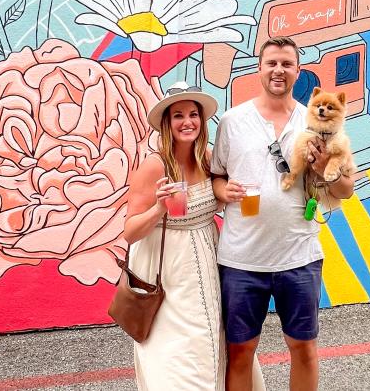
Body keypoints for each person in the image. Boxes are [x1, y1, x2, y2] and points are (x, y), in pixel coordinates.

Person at [211, 37, 355, 391]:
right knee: (241, 350)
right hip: (242, 258)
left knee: (304, 347)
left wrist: (324, 168)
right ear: (259, 68)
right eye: (271, 63)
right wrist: (220, 190)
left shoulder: (317, 123)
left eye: (286, 64)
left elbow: (345, 191)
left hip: (299, 255)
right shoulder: (232, 121)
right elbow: (216, 174)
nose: (279, 70)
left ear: (298, 71)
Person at [123, 82, 264, 391]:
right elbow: (130, 231)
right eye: (178, 116)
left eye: (193, 115)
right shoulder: (154, 165)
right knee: (177, 354)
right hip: (169, 272)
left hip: (209, 262)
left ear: (201, 121)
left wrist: (230, 193)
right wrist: (159, 208)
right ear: (166, 123)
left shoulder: (207, 158)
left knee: (212, 342)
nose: (187, 122)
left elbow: (220, 190)